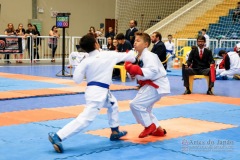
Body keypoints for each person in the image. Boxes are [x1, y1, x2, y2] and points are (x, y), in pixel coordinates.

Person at [48, 33, 136, 153]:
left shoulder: (85, 60)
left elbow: (77, 80)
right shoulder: (108, 54)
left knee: (113, 104)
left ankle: (115, 131)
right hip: (98, 94)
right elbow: (130, 57)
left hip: (95, 91)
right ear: (96, 43)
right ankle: (58, 136)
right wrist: (138, 51)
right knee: (86, 119)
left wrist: (78, 65)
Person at [124, 31, 169, 138]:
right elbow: (135, 75)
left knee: (135, 104)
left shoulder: (150, 55)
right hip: (148, 84)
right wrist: (131, 72)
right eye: (135, 40)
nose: (135, 43)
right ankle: (158, 130)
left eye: (138, 41)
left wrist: (138, 70)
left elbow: (153, 71)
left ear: (146, 44)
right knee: (146, 108)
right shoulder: (136, 56)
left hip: (156, 83)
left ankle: (149, 125)